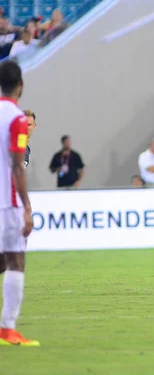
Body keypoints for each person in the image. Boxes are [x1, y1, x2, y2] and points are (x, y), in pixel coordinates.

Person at [0, 60, 37, 346]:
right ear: (20, 85)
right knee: (15, 259)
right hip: (7, 201)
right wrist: (26, 206)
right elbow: (17, 165)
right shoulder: (16, 119)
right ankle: (7, 329)